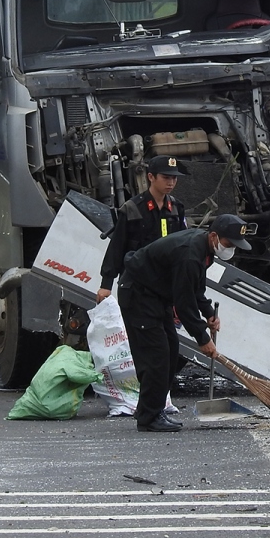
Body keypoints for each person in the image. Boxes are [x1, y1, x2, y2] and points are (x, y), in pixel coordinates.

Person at [117, 214, 254, 432]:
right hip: (138, 295)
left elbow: (195, 288)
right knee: (157, 356)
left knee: (171, 351)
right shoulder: (190, 254)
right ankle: (148, 418)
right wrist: (202, 337)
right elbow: (183, 303)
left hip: (156, 296)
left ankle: (150, 408)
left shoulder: (204, 250)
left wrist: (209, 312)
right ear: (214, 236)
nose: (231, 249)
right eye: (229, 243)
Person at [97, 154, 188, 304]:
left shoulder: (176, 209)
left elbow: (183, 246)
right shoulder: (133, 209)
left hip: (164, 285)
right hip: (136, 283)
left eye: (174, 178)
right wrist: (106, 284)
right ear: (151, 177)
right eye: (166, 177)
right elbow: (117, 246)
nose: (171, 183)